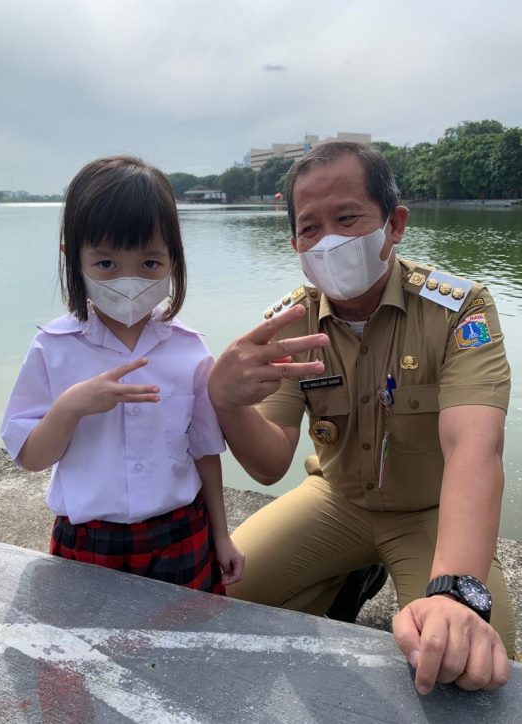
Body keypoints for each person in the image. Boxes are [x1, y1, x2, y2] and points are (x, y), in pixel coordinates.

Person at [208, 141, 516, 694]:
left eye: (348, 218)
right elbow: (270, 462)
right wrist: (227, 402)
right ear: (295, 242)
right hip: (336, 500)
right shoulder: (290, 323)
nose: (329, 240)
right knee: (215, 599)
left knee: (468, 664)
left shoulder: (459, 310)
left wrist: (455, 593)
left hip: (430, 512)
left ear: (394, 224)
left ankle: (374, 577)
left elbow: (475, 448)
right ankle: (346, 577)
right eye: (310, 227)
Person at [1, 155, 244, 594]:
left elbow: (205, 450)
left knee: (186, 634)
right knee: (82, 638)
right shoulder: (52, 348)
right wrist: (70, 407)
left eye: (149, 264)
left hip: (180, 530)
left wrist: (222, 534)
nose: (128, 281)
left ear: (174, 259)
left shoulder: (189, 350)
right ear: (73, 258)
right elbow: (31, 457)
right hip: (88, 537)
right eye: (107, 264)